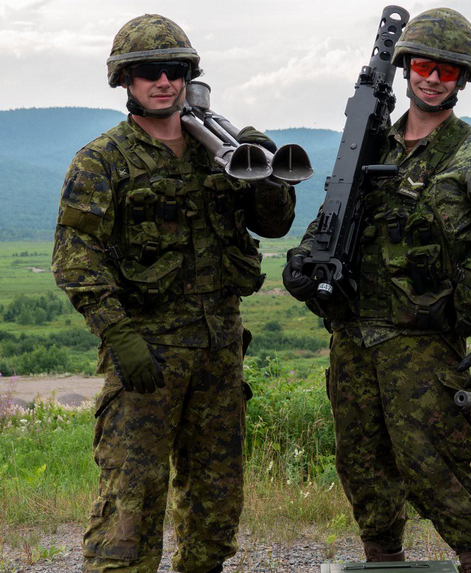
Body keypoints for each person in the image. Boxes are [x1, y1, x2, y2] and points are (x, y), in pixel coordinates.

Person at [283, 8, 471, 573]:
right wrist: (302, 264)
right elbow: (330, 217)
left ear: (463, 80)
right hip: (352, 335)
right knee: (362, 463)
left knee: (434, 461)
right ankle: (383, 561)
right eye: (423, 65)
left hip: (421, 341)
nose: (433, 78)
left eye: (448, 71)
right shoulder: (370, 147)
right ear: (406, 68)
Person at [51, 14, 295, 573]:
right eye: (148, 72)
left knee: (215, 501)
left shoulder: (219, 148)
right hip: (147, 353)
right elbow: (75, 259)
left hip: (219, 352)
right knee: (130, 504)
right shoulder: (103, 159)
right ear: (126, 83)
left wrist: (264, 167)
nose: (163, 82)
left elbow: (275, 224)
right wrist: (119, 334)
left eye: (175, 71)